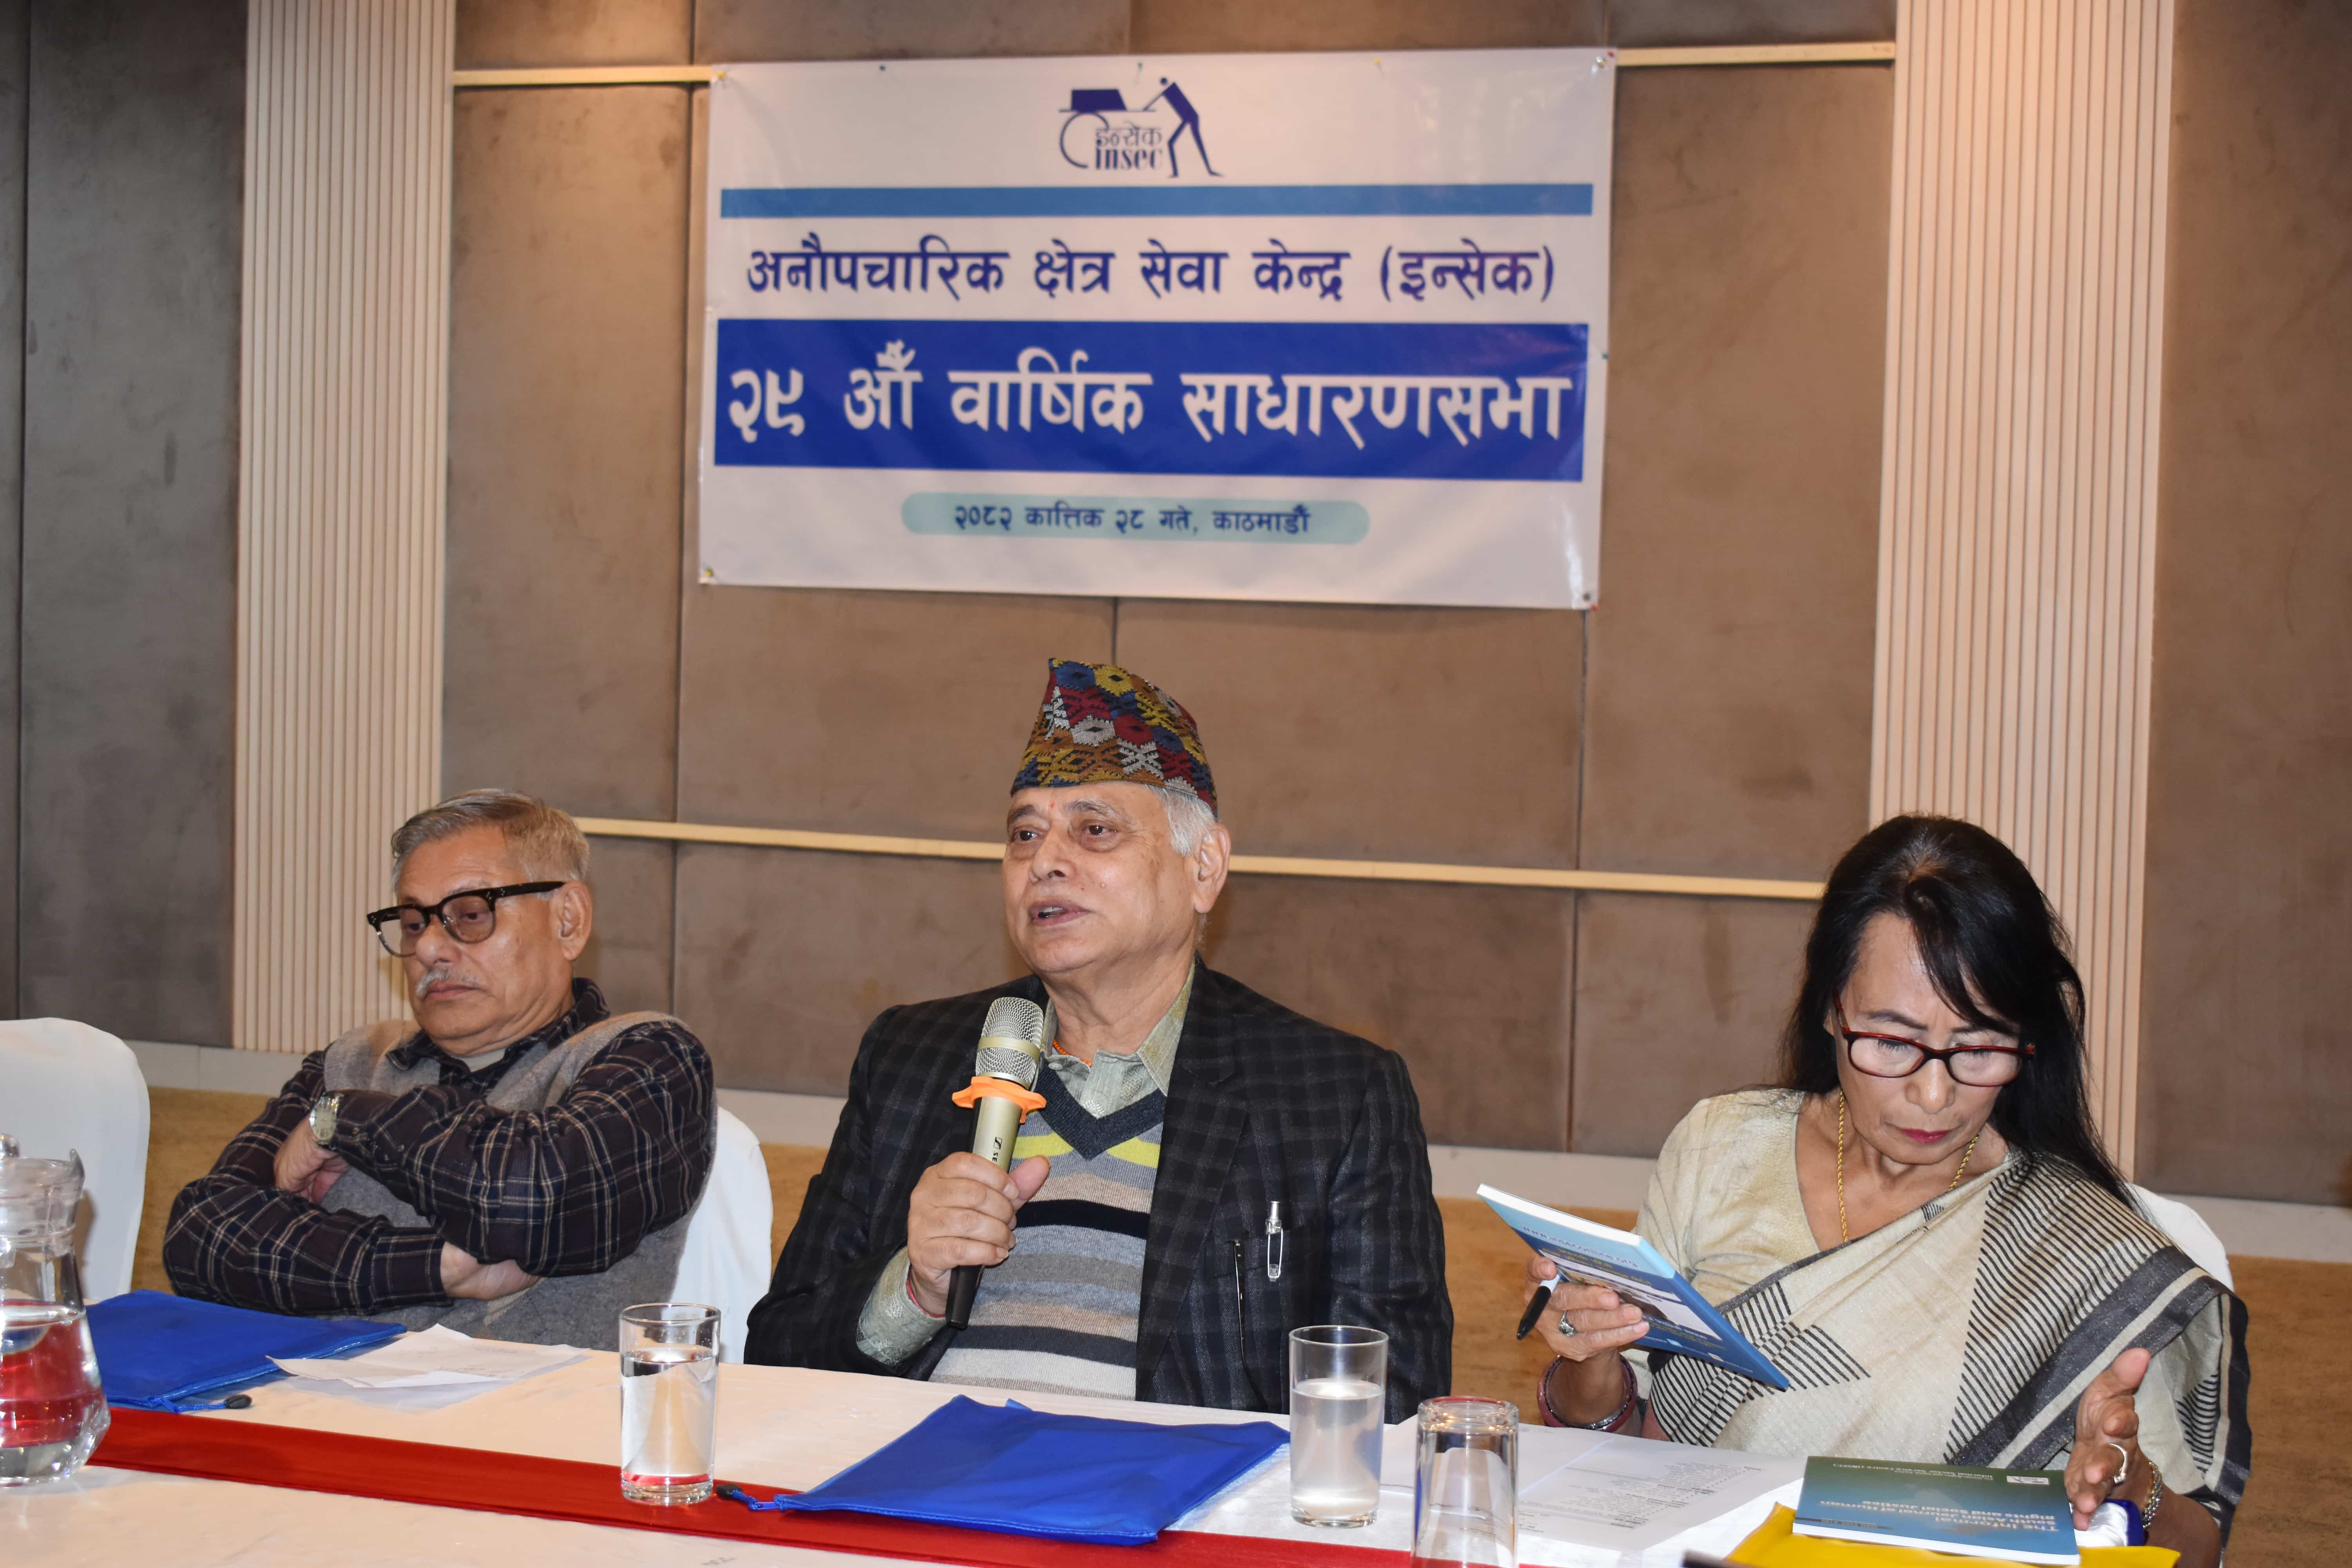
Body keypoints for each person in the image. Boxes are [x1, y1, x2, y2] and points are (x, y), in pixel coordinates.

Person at [1520, 816, 2246, 1566]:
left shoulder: (2084, 1249)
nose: (1934, 1096)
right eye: (1893, 1042)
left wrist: (2132, 1487)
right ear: (1831, 1008)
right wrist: (1589, 1361)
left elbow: (2197, 1552)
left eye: (1980, 1047)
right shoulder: (1719, 1149)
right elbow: (1620, 1456)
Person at [747, 658, 1451, 1416]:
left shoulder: (1332, 1095)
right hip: (929, 1476)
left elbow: (1395, 1397)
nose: (1045, 862)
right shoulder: (912, 1057)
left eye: (1095, 830)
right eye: (1024, 834)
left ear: (1205, 867)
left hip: (1179, 1484)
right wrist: (914, 1290)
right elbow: (776, 1357)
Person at [165, 791, 715, 1348]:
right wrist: (435, 1266)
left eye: (471, 916)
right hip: (312, 1393)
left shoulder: (649, 1059)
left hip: (523, 1404)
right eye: (412, 923)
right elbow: (203, 1239)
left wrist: (344, 1119)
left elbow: (529, 1203)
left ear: (568, 921)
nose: (429, 948)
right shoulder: (353, 1059)